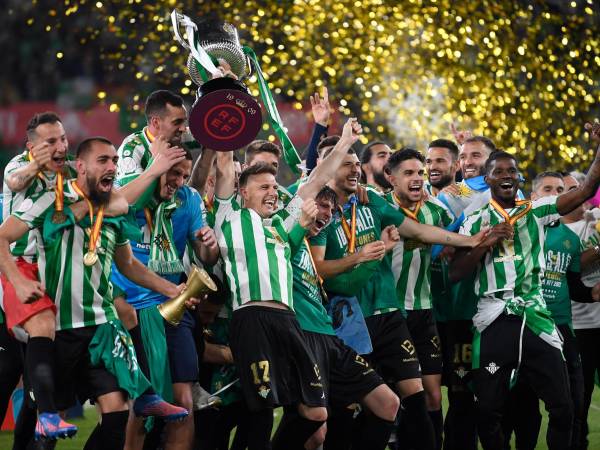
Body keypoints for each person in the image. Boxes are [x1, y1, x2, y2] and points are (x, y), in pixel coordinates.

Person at [0, 137, 187, 449]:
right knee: (43, 421)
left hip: (100, 327)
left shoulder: (114, 207)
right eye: (103, 160)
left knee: (116, 409)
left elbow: (128, 264)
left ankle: (147, 397)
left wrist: (171, 288)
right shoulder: (52, 198)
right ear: (81, 166)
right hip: (59, 330)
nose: (112, 166)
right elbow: (3, 237)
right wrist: (17, 280)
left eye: (115, 160)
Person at [310, 141, 487, 450]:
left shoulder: (371, 203)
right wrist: (361, 257)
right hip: (352, 321)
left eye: (356, 164)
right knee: (349, 408)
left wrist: (468, 240)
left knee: (417, 397)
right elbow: (320, 271)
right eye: (344, 164)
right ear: (325, 171)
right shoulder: (319, 216)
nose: (354, 169)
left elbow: (418, 231)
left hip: (390, 314)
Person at [213, 118, 368, 450]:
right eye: (263, 187)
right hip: (251, 319)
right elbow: (225, 162)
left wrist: (343, 144)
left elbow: (316, 180)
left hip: (288, 322)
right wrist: (221, 97)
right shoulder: (230, 216)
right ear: (242, 192)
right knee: (262, 411)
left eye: (273, 186)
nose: (272, 192)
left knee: (316, 412)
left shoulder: (283, 225)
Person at [449, 126, 600, 450]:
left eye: (512, 171)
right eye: (498, 171)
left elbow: (586, 189)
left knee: (563, 407)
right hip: (494, 317)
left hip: (537, 316)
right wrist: (484, 243)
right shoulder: (474, 220)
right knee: (487, 410)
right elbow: (455, 273)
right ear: (487, 179)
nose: (506, 175)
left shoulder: (539, 210)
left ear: (519, 179)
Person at [114, 143, 220, 450]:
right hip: (129, 309)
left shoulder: (189, 199)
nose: (180, 181)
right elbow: (111, 207)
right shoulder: (131, 192)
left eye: (185, 175)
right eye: (174, 173)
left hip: (173, 308)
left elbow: (206, 256)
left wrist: (209, 243)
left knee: (183, 400)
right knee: (139, 404)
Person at [290, 185, 400, 450]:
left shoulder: (308, 245)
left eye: (331, 208)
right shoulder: (286, 241)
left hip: (331, 337)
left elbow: (347, 285)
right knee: (316, 430)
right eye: (321, 205)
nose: (327, 214)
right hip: (302, 337)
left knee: (388, 403)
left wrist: (376, 253)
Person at [1, 111, 79, 439]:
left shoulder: (69, 172)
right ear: (31, 146)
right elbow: (14, 181)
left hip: (52, 273)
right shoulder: (19, 165)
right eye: (50, 142)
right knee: (39, 333)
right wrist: (37, 163)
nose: (60, 146)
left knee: (31, 382)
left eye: (62, 138)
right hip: (16, 268)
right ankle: (48, 414)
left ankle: (45, 415)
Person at [384, 148, 455, 449]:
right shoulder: (377, 208)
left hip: (424, 311)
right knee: (400, 393)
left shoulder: (437, 211)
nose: (417, 179)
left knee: (432, 395)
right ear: (391, 178)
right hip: (389, 312)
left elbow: (450, 242)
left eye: (420, 173)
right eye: (409, 173)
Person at [116, 90, 198, 185]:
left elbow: (212, 135)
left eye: (184, 121)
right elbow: (133, 198)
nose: (183, 128)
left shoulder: (178, 136)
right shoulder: (132, 151)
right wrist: (154, 163)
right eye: (177, 122)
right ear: (156, 122)